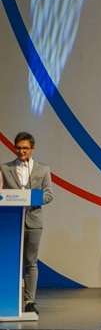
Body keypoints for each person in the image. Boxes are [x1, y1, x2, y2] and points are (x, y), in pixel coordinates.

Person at [0, 131, 52, 314]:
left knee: (31, 262)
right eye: (18, 148)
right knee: (9, 261)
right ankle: (7, 299)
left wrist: (32, 199)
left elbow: (49, 194)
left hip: (33, 221)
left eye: (25, 148)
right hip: (10, 221)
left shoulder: (43, 169)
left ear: (32, 149)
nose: (21, 151)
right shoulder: (4, 168)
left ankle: (29, 301)